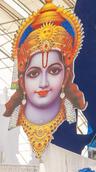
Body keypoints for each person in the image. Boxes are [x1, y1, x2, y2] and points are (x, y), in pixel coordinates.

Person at [3, 0, 86, 158]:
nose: (43, 83)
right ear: (22, 80)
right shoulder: (19, 116)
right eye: (33, 73)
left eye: (54, 71)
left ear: (67, 74)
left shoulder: (68, 119)